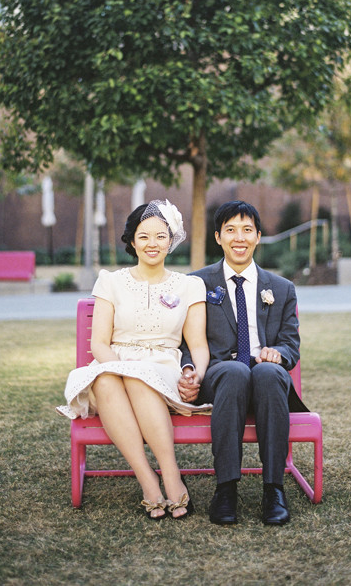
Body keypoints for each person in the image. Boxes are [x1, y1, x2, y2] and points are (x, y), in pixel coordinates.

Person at [57, 200, 211, 519]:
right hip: (113, 365)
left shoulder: (189, 286)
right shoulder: (111, 282)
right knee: (106, 379)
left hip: (162, 368)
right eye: (143, 236)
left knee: (140, 378)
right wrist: (122, 369)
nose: (152, 243)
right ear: (132, 241)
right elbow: (99, 343)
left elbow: (197, 344)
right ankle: (147, 480)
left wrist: (196, 373)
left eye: (160, 236)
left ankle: (171, 475)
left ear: (171, 240)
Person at [178, 200, 308, 526]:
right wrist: (189, 370)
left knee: (268, 372)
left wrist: (278, 354)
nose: (240, 238)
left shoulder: (282, 288)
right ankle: (226, 489)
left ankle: (274, 489)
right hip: (220, 379)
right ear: (218, 237)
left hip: (266, 378)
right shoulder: (196, 283)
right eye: (231, 230)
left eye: (247, 230)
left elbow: (290, 344)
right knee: (234, 371)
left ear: (258, 236)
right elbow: (185, 342)